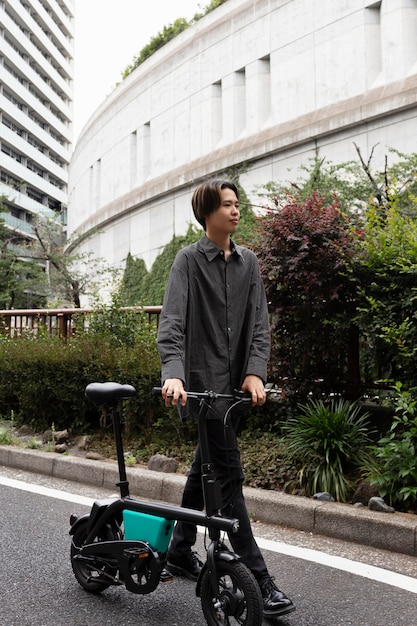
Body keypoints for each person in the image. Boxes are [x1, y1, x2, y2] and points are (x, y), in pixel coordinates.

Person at [157, 179, 295, 618]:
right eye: (228, 205)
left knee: (205, 467)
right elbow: (172, 324)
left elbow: (260, 326)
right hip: (203, 389)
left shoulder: (249, 263)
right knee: (229, 478)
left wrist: (255, 372)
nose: (236, 211)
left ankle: (179, 549)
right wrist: (173, 376)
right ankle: (261, 579)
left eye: (238, 204)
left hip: (236, 392)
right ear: (207, 213)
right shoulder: (187, 261)